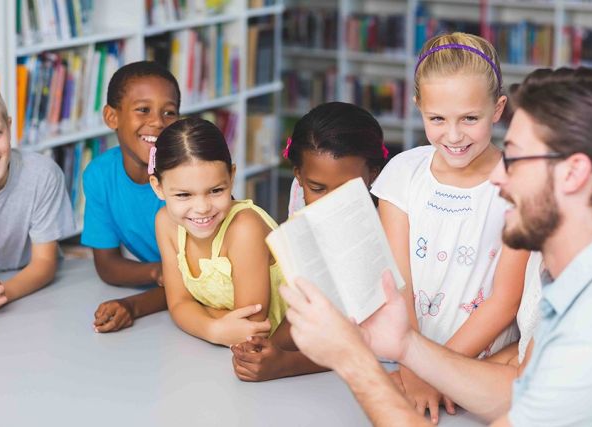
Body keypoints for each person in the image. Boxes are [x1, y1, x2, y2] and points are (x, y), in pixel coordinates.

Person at [280, 66, 592, 426]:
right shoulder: (564, 283)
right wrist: (406, 347)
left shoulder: (590, 329)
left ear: (573, 173)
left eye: (514, 159)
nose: (496, 176)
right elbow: (519, 390)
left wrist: (353, 361)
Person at [370, 33, 530, 422]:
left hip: (481, 374)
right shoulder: (403, 174)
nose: (453, 135)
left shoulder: (519, 182)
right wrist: (413, 366)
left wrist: (434, 370)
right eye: (437, 119)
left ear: (498, 109)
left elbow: (506, 300)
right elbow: (397, 282)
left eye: (469, 118)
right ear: (418, 108)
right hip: (404, 366)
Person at [231, 101, 389, 380]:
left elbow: (375, 340)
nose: (329, 203)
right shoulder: (300, 193)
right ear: (299, 177)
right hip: (322, 340)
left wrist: (284, 363)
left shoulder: (387, 223)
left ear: (372, 175)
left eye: (346, 190)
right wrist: (270, 349)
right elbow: (311, 290)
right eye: (317, 188)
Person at [149, 117, 286, 346]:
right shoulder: (166, 223)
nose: (202, 208)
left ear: (231, 177)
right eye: (184, 195)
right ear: (158, 187)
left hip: (291, 352)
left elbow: (250, 328)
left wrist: (198, 313)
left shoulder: (244, 229)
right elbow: (178, 303)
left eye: (215, 190)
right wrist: (213, 330)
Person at [0, 77, 75, 318]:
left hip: (34, 287)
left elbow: (44, 264)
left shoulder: (43, 175)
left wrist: (4, 291)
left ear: (9, 127)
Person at [82, 61, 181, 332]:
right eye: (143, 110)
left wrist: (133, 306)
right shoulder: (99, 175)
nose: (158, 122)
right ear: (112, 117)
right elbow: (107, 264)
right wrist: (156, 271)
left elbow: (200, 282)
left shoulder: (187, 177)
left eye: (169, 112)